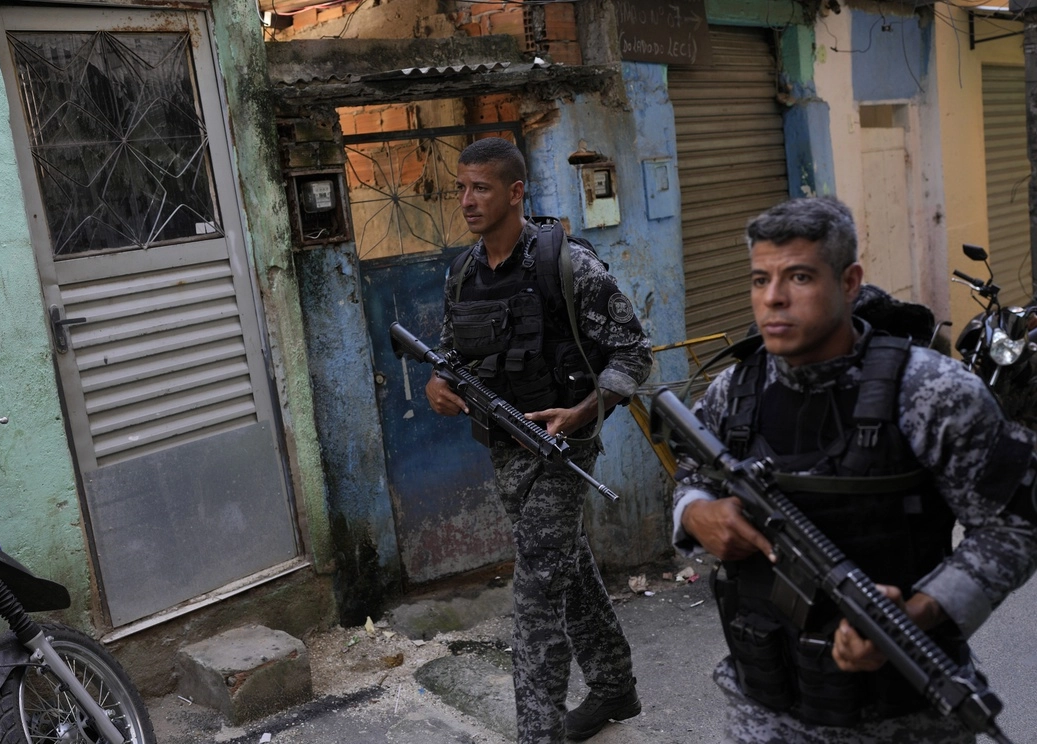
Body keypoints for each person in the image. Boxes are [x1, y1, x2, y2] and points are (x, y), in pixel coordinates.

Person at [671, 196, 1037, 743]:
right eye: (759, 279)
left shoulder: (931, 391)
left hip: (904, 718)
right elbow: (690, 474)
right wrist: (695, 513)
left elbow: (1014, 526)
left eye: (798, 277)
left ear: (848, 282)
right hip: (764, 709)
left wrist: (918, 613)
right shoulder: (735, 391)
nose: (772, 299)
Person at [425, 137, 652, 742]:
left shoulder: (568, 266)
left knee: (534, 596)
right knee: (566, 568)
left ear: (515, 192)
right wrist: (437, 383)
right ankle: (613, 686)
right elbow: (452, 353)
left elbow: (634, 353)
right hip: (504, 450)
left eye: (481, 188)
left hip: (563, 451)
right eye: (462, 187)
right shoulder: (464, 274)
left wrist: (582, 413)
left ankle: (537, 733)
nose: (467, 200)